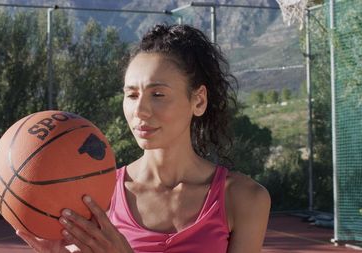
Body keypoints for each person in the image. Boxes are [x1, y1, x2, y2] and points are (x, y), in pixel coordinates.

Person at [17, 24, 271, 253]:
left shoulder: (244, 199)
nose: (139, 111)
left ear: (199, 100)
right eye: (131, 95)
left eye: (157, 94)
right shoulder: (97, 197)